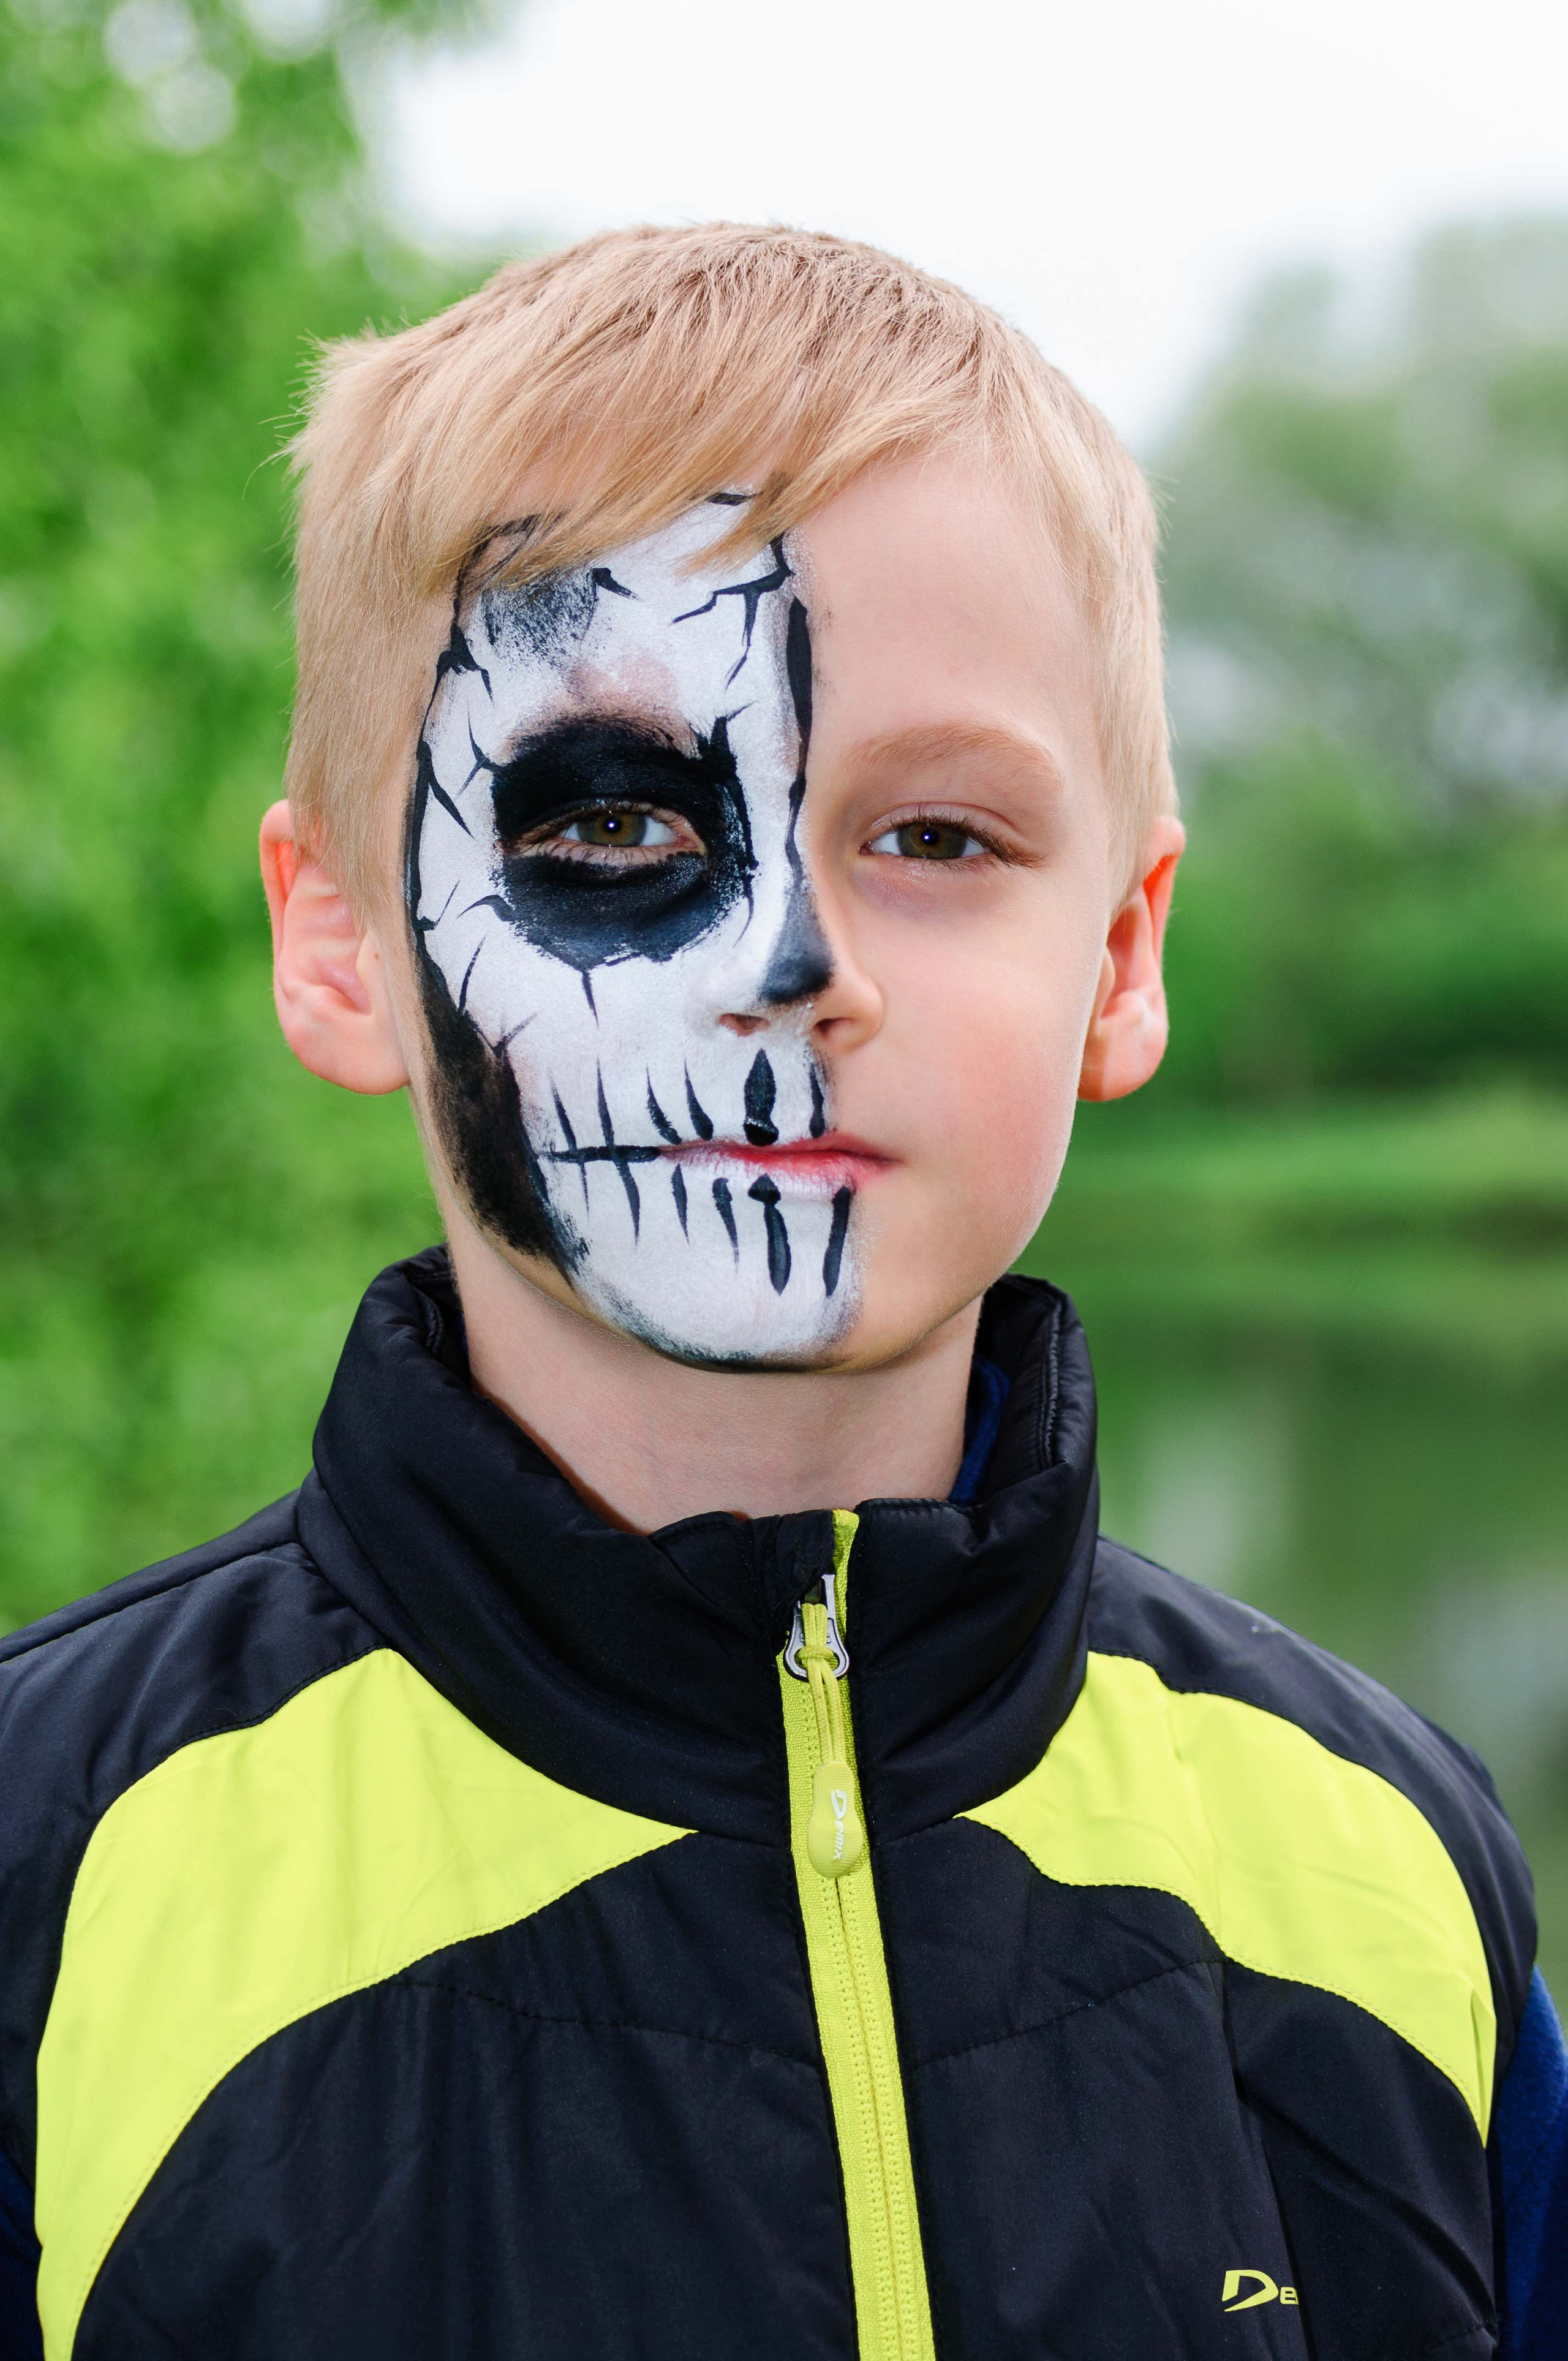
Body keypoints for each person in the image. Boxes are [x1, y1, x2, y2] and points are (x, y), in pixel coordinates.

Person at [0, 224, 1562, 2361]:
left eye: (934, 837)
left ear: (1122, 954)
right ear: (348, 938)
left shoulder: (1380, 1867)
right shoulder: (55, 1869)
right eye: (620, 825)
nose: (790, 970)